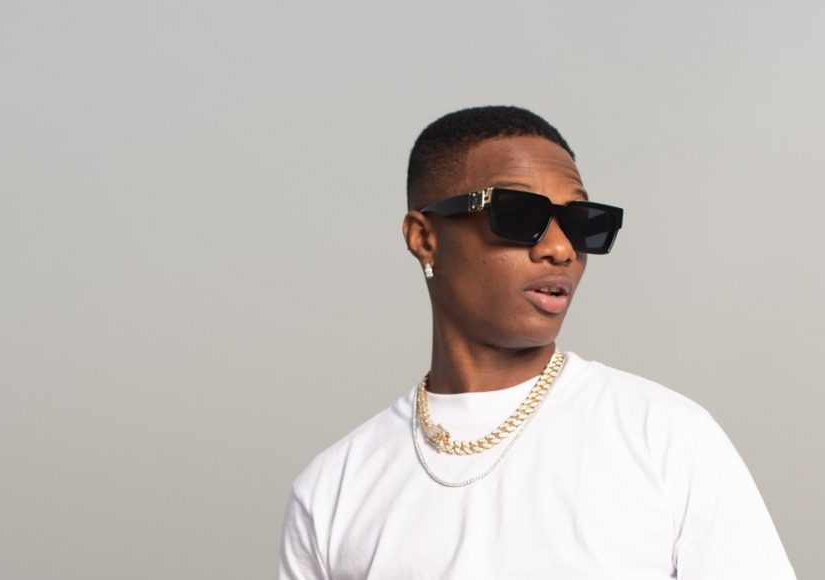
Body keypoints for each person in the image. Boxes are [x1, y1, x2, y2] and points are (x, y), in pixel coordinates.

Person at [277, 106, 797, 579]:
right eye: (520, 216)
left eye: (580, 223)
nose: (560, 248)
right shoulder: (332, 491)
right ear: (425, 237)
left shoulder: (667, 439)